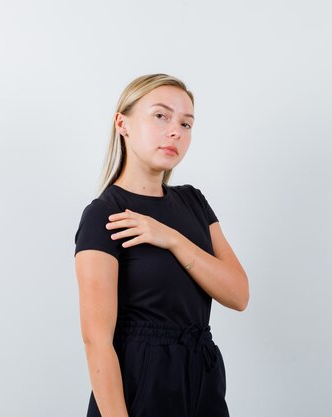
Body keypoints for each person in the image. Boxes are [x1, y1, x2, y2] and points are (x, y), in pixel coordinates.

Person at [74, 73, 249, 417]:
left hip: (203, 378)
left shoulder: (193, 203)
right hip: (141, 382)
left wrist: (170, 238)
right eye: (160, 116)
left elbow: (238, 294)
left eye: (186, 124)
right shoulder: (104, 215)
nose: (175, 132)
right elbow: (97, 341)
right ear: (122, 123)